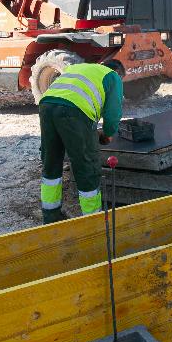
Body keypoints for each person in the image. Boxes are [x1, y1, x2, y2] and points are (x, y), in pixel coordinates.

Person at [36, 57, 125, 224]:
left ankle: (50, 217)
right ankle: (92, 220)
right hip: (74, 112)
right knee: (87, 166)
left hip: (46, 106)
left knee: (51, 162)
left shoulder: (79, 68)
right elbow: (113, 113)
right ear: (119, 74)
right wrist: (108, 134)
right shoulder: (113, 76)